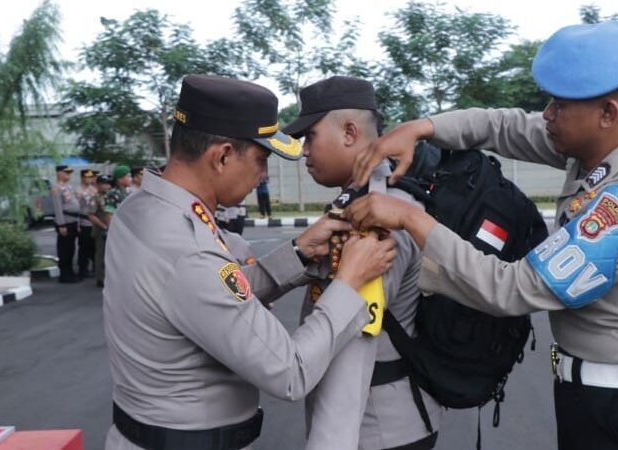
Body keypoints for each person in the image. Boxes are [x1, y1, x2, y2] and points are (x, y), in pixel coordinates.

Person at [348, 21, 618, 450]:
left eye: (559, 106)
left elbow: (514, 288)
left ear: (607, 112)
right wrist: (421, 128)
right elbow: (502, 127)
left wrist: (411, 218)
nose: (547, 116)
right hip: (587, 395)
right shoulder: (602, 147)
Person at [103, 74, 397, 450]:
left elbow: (208, 297)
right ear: (222, 156)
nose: (262, 175)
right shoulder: (187, 248)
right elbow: (290, 372)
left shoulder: (140, 209)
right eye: (261, 160)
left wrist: (297, 255)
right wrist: (349, 282)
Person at [282, 75, 442, 450]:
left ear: (350, 132)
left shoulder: (379, 216)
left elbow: (353, 350)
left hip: (376, 431)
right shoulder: (364, 201)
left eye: (311, 137)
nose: (304, 151)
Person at [51, 164, 81, 283]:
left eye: (69, 173)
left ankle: (70, 272)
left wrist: (77, 223)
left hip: (73, 221)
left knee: (71, 248)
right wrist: (61, 225)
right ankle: (64, 274)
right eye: (66, 172)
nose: (68, 175)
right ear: (59, 173)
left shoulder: (68, 187)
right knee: (64, 250)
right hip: (65, 222)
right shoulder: (56, 188)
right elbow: (58, 208)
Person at [87, 174, 112, 288]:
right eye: (103, 183)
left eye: (108, 183)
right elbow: (91, 215)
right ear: (98, 185)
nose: (106, 186)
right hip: (101, 230)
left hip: (112, 230)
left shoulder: (111, 197)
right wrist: (103, 226)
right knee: (101, 255)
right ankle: (100, 278)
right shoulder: (95, 198)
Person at [77, 169, 99, 278]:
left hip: (93, 223)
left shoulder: (93, 190)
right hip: (83, 221)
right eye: (87, 177)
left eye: (91, 177)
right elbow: (77, 209)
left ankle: (95, 268)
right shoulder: (78, 191)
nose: (89, 179)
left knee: (93, 247)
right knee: (83, 248)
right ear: (82, 178)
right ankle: (82, 269)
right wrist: (77, 225)